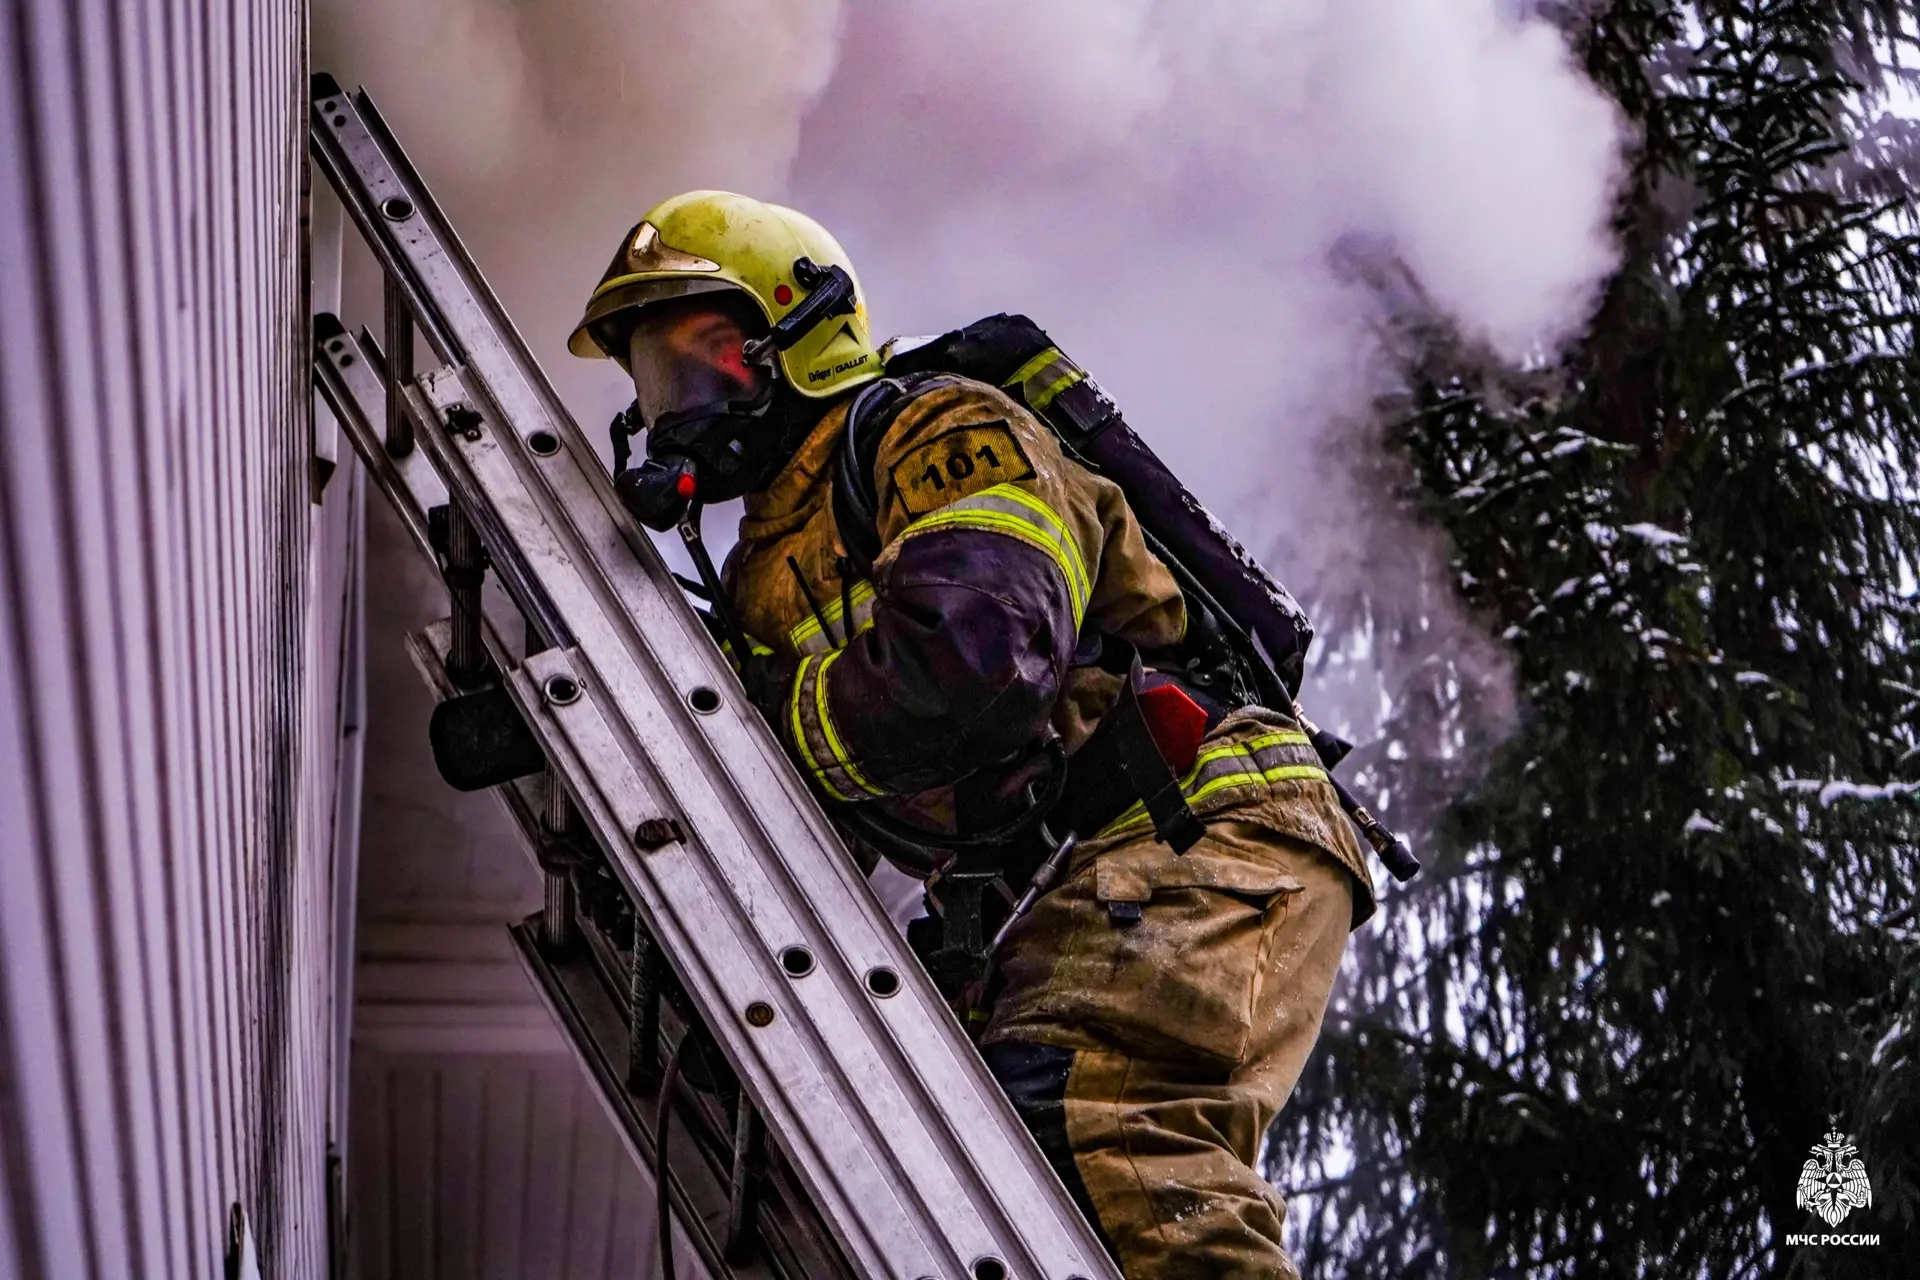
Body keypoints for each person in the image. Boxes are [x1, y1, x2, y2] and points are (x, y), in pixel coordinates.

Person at [570, 190, 1375, 1280]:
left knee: (1099, 1128)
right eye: (660, 376)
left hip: (1193, 819)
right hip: (1072, 876)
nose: (680, 405)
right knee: (955, 1165)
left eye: (705, 358)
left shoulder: (938, 427)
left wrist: (759, 717)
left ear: (794, 335)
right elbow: (822, 810)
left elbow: (981, 662)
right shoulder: (774, 562)